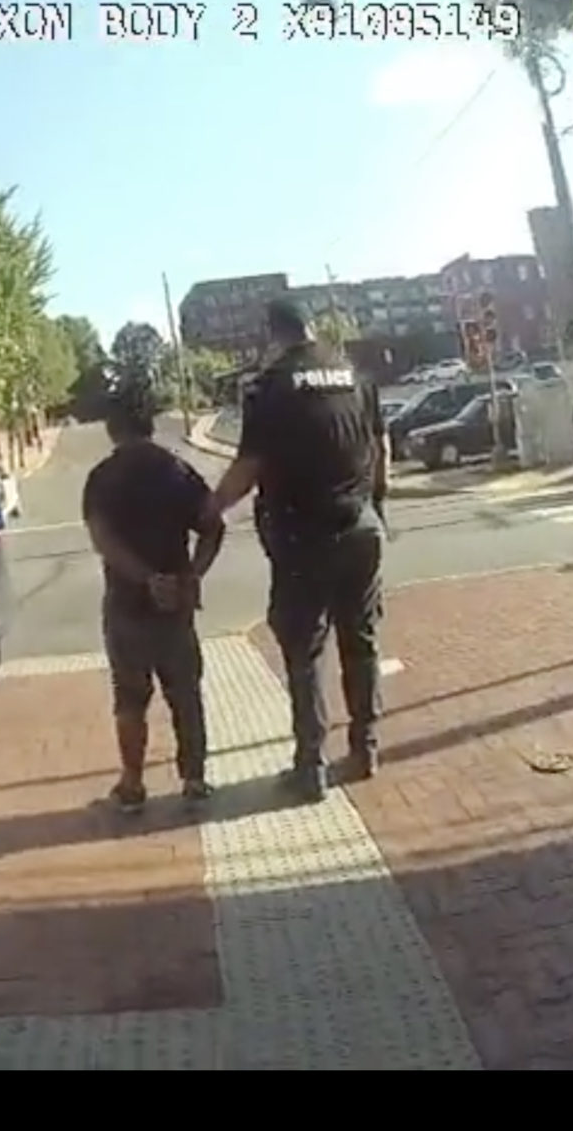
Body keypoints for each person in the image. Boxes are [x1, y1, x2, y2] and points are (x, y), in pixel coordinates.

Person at [206, 298, 388, 803]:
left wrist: (209, 508)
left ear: (273, 334)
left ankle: (311, 766)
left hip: (302, 536)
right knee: (362, 639)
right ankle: (365, 747)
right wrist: (377, 506)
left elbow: (247, 470)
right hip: (361, 526)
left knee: (304, 650)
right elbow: (379, 449)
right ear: (310, 327)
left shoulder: (271, 387)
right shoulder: (352, 372)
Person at [82, 382, 227, 811]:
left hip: (127, 604)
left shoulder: (103, 478)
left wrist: (145, 579)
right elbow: (213, 525)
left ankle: (132, 784)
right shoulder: (176, 471)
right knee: (186, 692)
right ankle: (195, 779)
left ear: (114, 429)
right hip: (176, 605)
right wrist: (192, 574)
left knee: (129, 697)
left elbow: (102, 540)